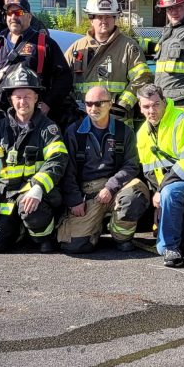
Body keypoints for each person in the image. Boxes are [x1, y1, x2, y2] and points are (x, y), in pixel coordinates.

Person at [0, 65, 69, 253]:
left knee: (37, 229)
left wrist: (38, 188)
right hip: (5, 197)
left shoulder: (49, 128)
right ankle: (18, 230)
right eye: (18, 97)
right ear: (10, 99)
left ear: (36, 98)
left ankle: (43, 235)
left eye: (27, 96)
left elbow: (57, 161)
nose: (22, 101)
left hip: (34, 196)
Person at [59, 86, 149, 254]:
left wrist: (110, 187)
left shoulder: (124, 131)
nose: (93, 108)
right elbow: (67, 170)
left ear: (110, 104)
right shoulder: (74, 132)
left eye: (99, 103)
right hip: (87, 192)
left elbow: (131, 165)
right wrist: (75, 200)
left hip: (116, 187)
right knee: (75, 246)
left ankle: (121, 236)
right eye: (89, 104)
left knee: (135, 195)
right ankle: (94, 227)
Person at [135, 83, 184, 267]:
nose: (151, 110)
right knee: (159, 246)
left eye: (156, 104)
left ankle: (173, 249)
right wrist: (157, 199)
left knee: (170, 193)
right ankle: (172, 243)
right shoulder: (142, 133)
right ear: (140, 108)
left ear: (164, 102)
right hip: (174, 184)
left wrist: (161, 191)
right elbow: (150, 171)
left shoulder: (181, 120)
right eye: (146, 106)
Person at [0, 0, 73, 125]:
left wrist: (47, 104)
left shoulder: (44, 44)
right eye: (9, 13)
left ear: (29, 17)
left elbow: (64, 77)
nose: (13, 17)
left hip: (33, 118)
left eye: (18, 13)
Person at [67, 0, 150, 117]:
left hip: (116, 121)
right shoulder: (77, 47)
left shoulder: (128, 46)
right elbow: (61, 79)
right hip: (82, 119)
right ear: (91, 19)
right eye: (100, 17)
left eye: (109, 16)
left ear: (115, 18)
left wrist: (122, 106)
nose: (104, 21)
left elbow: (142, 79)